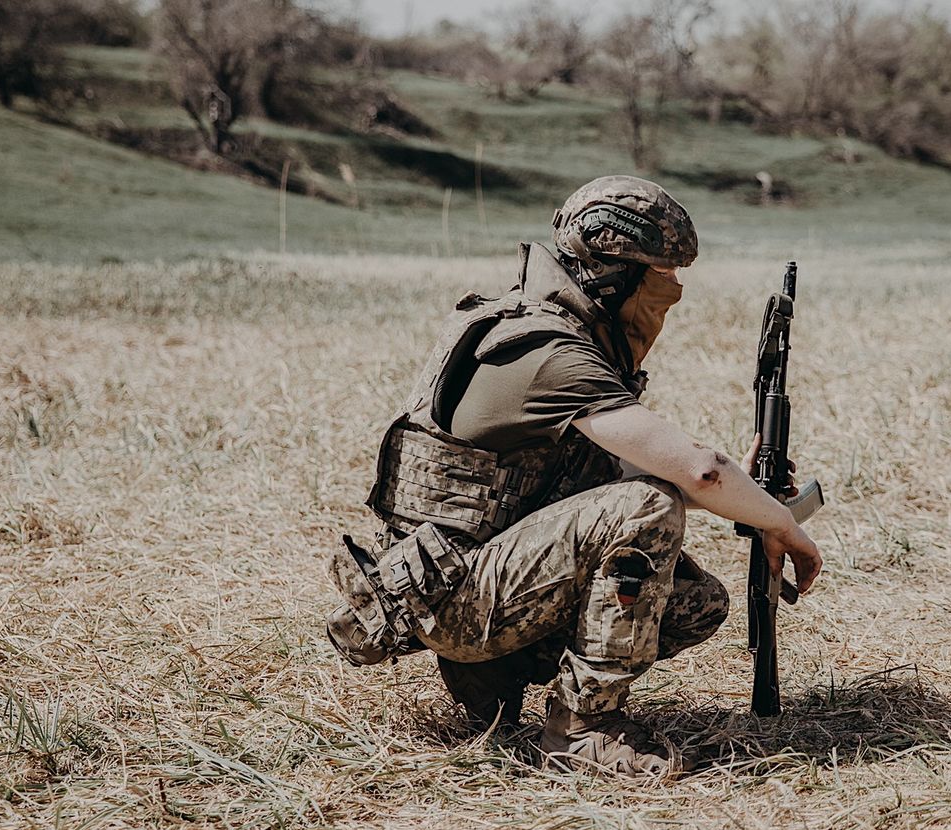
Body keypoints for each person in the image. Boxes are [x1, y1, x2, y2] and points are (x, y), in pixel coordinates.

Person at [325, 176, 822, 779]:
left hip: (466, 573)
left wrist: (745, 490)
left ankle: (496, 671)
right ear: (613, 274)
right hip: (454, 598)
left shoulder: (544, 325)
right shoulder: (548, 351)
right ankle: (583, 729)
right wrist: (781, 523)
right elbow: (690, 472)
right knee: (646, 510)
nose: (670, 293)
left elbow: (614, 475)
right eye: (660, 277)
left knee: (694, 602)